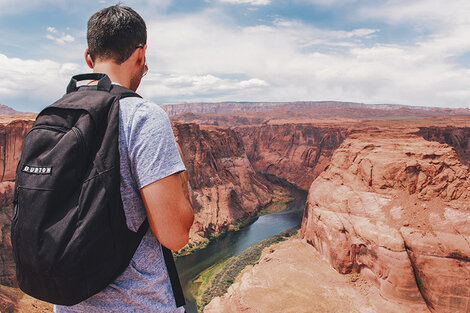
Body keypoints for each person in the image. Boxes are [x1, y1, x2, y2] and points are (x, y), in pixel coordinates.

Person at [54, 5, 194, 313]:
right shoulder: (143, 117)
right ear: (141, 55)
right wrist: (180, 174)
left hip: (68, 305)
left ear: (88, 58)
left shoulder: (56, 116)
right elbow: (175, 235)